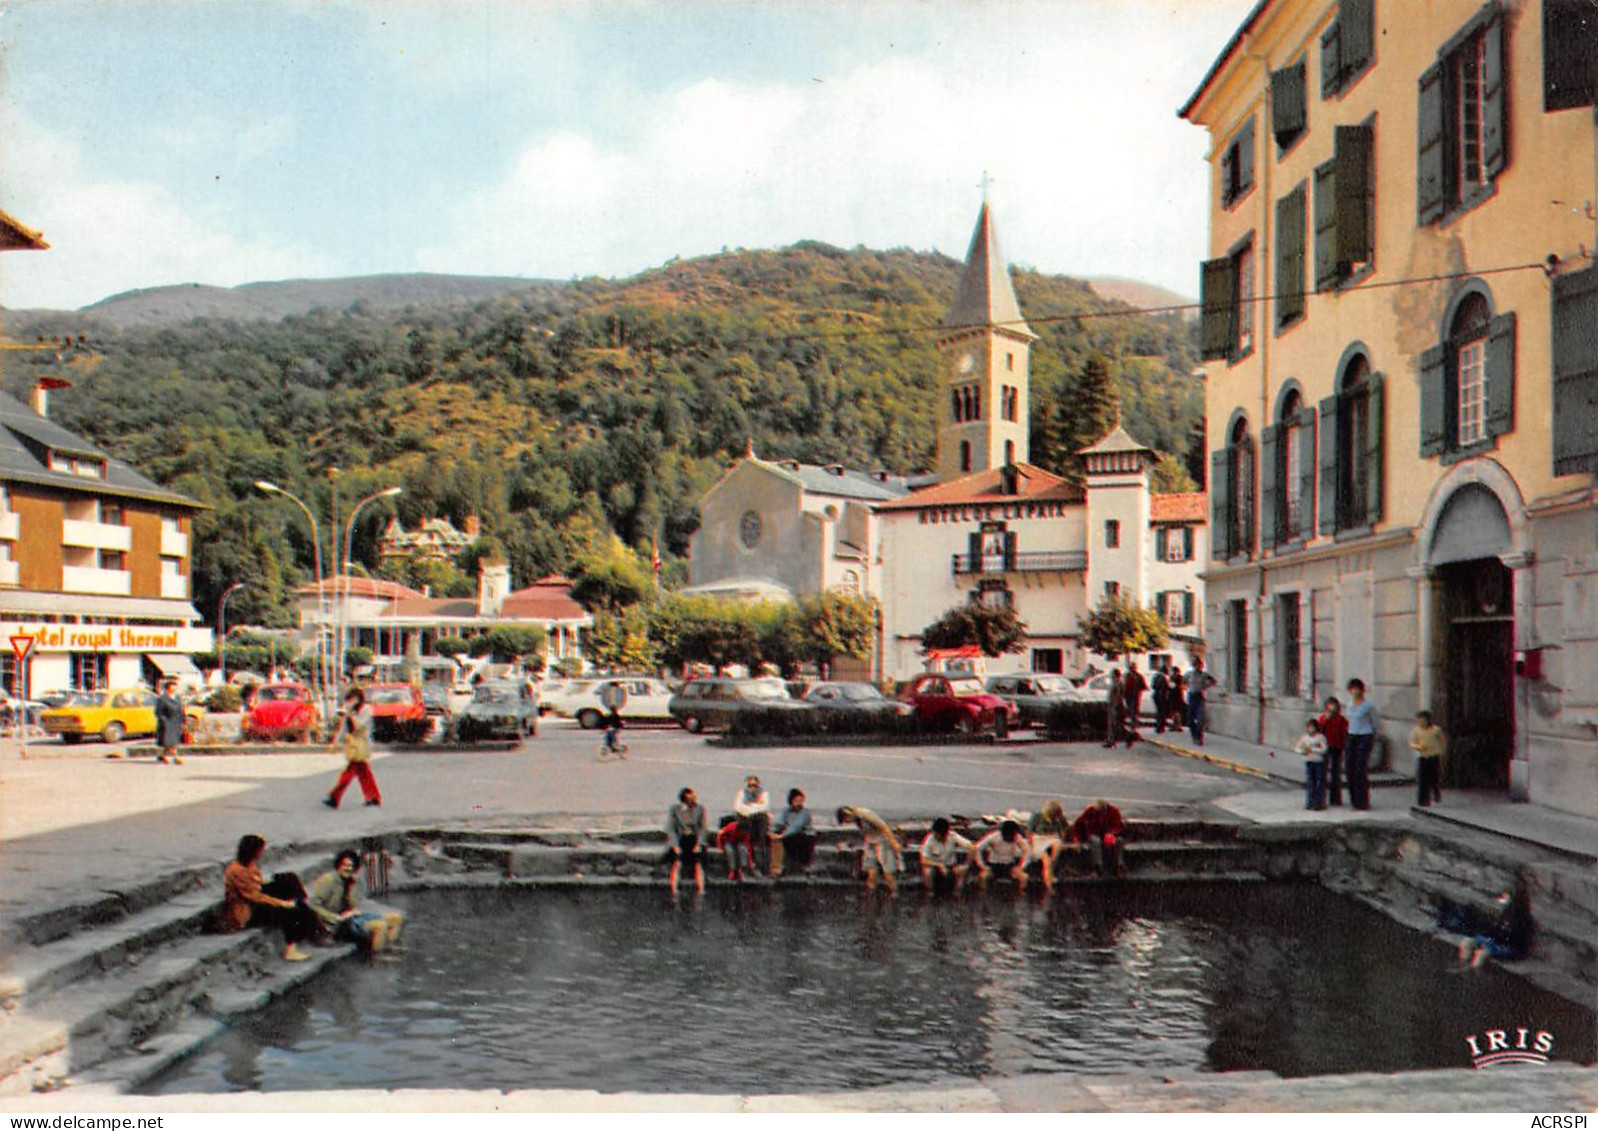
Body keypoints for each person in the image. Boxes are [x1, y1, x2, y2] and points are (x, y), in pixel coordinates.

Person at [221, 834, 318, 962]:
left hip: (256, 897)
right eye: (260, 850)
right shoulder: (237, 870)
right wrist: (282, 903)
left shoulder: (249, 864)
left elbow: (258, 883)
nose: (262, 853)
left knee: (289, 879)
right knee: (288, 911)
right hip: (248, 911)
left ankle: (302, 906)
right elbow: (255, 896)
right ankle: (290, 949)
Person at [307, 849, 405, 951]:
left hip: (350, 917)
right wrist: (335, 917)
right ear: (338, 866)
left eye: (352, 866)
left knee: (396, 918)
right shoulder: (328, 880)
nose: (349, 869)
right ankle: (378, 956)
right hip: (335, 923)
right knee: (380, 926)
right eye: (345, 865)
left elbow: (353, 903)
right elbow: (313, 905)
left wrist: (352, 900)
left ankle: (388, 947)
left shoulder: (352, 881)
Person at [325, 686, 381, 809]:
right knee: (364, 773)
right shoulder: (351, 712)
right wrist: (335, 743)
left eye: (351, 699)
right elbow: (343, 729)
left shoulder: (366, 710)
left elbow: (359, 726)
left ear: (357, 699)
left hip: (362, 745)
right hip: (353, 745)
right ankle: (373, 797)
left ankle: (335, 797)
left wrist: (350, 713)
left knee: (349, 773)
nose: (349, 702)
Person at [1457, 885, 1534, 968]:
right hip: (1510, 937)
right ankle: (1465, 960)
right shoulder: (1509, 913)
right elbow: (1500, 935)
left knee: (1484, 947)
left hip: (1512, 942)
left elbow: (1502, 937)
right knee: (1472, 941)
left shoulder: (1519, 916)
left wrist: (1484, 945)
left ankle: (1475, 964)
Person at [837, 805, 902, 894]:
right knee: (871, 870)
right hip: (870, 842)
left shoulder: (865, 814)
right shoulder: (857, 819)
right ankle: (871, 891)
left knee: (887, 872)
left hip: (882, 841)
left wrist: (894, 842)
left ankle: (894, 892)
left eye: (846, 820)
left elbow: (883, 826)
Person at [666, 787, 707, 894]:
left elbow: (703, 828)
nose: (693, 800)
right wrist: (675, 845)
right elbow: (670, 828)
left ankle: (701, 889)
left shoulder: (700, 809)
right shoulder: (674, 809)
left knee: (698, 863)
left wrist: (699, 844)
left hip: (694, 838)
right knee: (677, 862)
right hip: (681, 838)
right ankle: (674, 889)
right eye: (690, 797)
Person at [1345, 679, 1377, 811]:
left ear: (1362, 690)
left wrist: (1372, 737)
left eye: (1357, 688)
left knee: (1360, 768)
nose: (1355, 691)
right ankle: (1353, 800)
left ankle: (1363, 800)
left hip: (1365, 735)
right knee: (1350, 768)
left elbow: (1375, 722)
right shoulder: (1349, 704)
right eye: (1352, 689)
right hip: (1352, 735)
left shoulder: (1368, 705)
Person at [1071, 799, 1125, 878]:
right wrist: (1076, 838)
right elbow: (1078, 824)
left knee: (1119, 841)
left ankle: (1119, 866)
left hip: (1109, 835)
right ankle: (1097, 867)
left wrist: (1111, 834)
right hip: (1094, 834)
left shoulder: (1113, 812)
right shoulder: (1090, 811)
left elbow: (1118, 826)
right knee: (1095, 840)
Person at [769, 788, 816, 876]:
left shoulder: (805, 813)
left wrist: (782, 836)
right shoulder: (786, 811)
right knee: (774, 840)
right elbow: (780, 823)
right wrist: (772, 832)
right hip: (789, 834)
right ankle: (775, 869)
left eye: (801, 801)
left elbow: (796, 827)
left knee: (789, 839)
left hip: (804, 836)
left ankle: (792, 866)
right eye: (797, 800)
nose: (800, 803)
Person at [919, 817, 972, 891]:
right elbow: (923, 860)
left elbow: (971, 847)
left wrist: (966, 863)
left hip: (951, 865)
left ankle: (957, 893)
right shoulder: (929, 840)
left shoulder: (953, 836)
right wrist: (938, 865)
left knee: (961, 871)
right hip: (935, 866)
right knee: (927, 872)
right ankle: (930, 891)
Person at [1027, 799, 1071, 888]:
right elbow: (1029, 832)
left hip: (1052, 837)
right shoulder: (1037, 816)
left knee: (1057, 845)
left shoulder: (1060, 819)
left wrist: (1064, 836)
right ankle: (1048, 880)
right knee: (1046, 860)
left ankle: (1053, 862)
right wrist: (1031, 846)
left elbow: (1065, 830)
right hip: (1039, 838)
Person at [973, 820, 1030, 886]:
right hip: (994, 865)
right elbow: (977, 848)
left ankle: (1020, 894)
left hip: (1009, 865)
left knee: (1024, 877)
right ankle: (982, 893)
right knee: (983, 877)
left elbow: (1026, 850)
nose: (1014, 837)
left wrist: (1021, 866)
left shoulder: (1017, 838)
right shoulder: (994, 836)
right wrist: (981, 865)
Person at [734, 775, 771, 874]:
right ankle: (750, 863)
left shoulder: (764, 794)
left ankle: (763, 864)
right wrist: (753, 808)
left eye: (754, 786)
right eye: (750, 786)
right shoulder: (741, 794)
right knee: (746, 823)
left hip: (758, 820)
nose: (752, 788)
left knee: (762, 819)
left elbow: (764, 807)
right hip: (746, 819)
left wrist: (750, 807)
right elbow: (738, 807)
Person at [1410, 710, 1447, 808]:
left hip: (1434, 755)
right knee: (1422, 778)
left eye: (1423, 720)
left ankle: (1436, 794)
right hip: (1422, 755)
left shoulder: (1436, 730)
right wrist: (1417, 746)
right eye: (1419, 721)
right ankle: (1423, 800)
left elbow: (1443, 742)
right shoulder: (1416, 730)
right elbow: (1411, 742)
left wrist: (1442, 753)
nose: (1421, 723)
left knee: (1434, 777)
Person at [1318, 697, 1349, 807]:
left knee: (1335, 773)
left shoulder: (1341, 719)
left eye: (1334, 704)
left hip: (1337, 747)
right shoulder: (1323, 718)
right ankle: (1321, 798)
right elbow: (1319, 731)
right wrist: (1326, 719)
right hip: (1325, 747)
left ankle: (1335, 798)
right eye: (1330, 704)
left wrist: (1344, 746)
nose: (1332, 707)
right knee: (1323, 772)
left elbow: (1344, 733)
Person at [1294, 718, 1329, 810]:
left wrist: (1312, 750)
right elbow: (1297, 748)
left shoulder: (1320, 737)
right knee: (1310, 782)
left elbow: (1324, 749)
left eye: (1312, 727)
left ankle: (1319, 803)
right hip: (1309, 761)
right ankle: (1310, 802)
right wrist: (1302, 751)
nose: (1310, 730)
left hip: (1318, 762)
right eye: (1309, 727)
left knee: (1318, 782)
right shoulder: (1304, 737)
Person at [715, 814, 756, 882]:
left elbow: (748, 845)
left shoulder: (746, 834)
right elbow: (720, 834)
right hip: (728, 841)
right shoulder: (732, 826)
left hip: (739, 842)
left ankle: (742, 869)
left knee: (743, 849)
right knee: (729, 851)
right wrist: (720, 847)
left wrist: (750, 861)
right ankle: (732, 870)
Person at [154, 678, 185, 766]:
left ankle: (164, 755)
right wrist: (164, 721)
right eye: (172, 688)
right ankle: (175, 756)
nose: (174, 690)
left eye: (175, 688)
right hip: (167, 722)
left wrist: (183, 720)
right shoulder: (162, 699)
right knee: (167, 741)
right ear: (167, 688)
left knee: (173, 741)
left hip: (176, 722)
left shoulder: (177, 697)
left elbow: (181, 709)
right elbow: (158, 712)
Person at [1186, 658, 1213, 745]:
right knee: (1190, 719)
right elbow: (1183, 681)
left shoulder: (1204, 675)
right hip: (1191, 696)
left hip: (1199, 696)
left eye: (1199, 665)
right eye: (1196, 665)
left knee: (1200, 719)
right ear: (1193, 665)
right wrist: (1187, 687)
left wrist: (1205, 686)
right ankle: (1194, 736)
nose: (1198, 667)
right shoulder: (1189, 674)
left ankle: (1199, 737)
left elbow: (1213, 681)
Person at [1104, 669, 1126, 748]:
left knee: (1113, 724)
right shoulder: (1114, 683)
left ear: (1115, 675)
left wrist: (1115, 704)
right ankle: (1110, 739)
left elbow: (1119, 695)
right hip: (1111, 705)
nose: (1110, 675)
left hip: (1115, 705)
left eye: (1112, 674)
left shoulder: (1118, 683)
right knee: (1111, 724)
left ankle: (1112, 741)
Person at [1124, 662, 1147, 733]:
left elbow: (1144, 686)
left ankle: (1134, 724)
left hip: (1136, 695)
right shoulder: (1126, 675)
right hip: (1129, 695)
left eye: (1134, 667)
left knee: (1135, 710)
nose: (1133, 669)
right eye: (1132, 667)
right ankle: (1133, 723)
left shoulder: (1139, 676)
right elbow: (1124, 685)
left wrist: (1139, 690)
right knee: (1131, 709)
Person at [1150, 664, 1170, 734]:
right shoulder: (1163, 677)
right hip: (1162, 696)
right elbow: (1166, 687)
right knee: (1162, 712)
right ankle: (1161, 726)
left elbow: (1152, 686)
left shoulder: (1155, 676)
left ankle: (1158, 726)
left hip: (1155, 695)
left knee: (1158, 711)